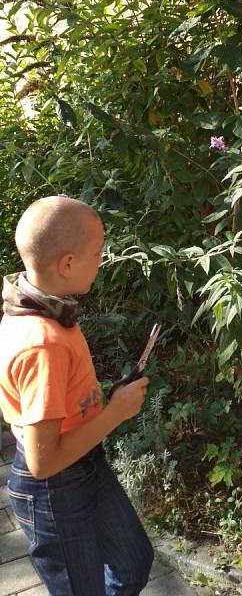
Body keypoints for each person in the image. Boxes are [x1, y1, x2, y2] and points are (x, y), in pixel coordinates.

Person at [0, 196, 153, 596]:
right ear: (67, 264)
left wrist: (107, 396)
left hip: (87, 465)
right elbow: (43, 461)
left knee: (134, 562)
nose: (102, 261)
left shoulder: (41, 305)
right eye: (98, 253)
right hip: (54, 490)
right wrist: (116, 412)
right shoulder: (42, 343)